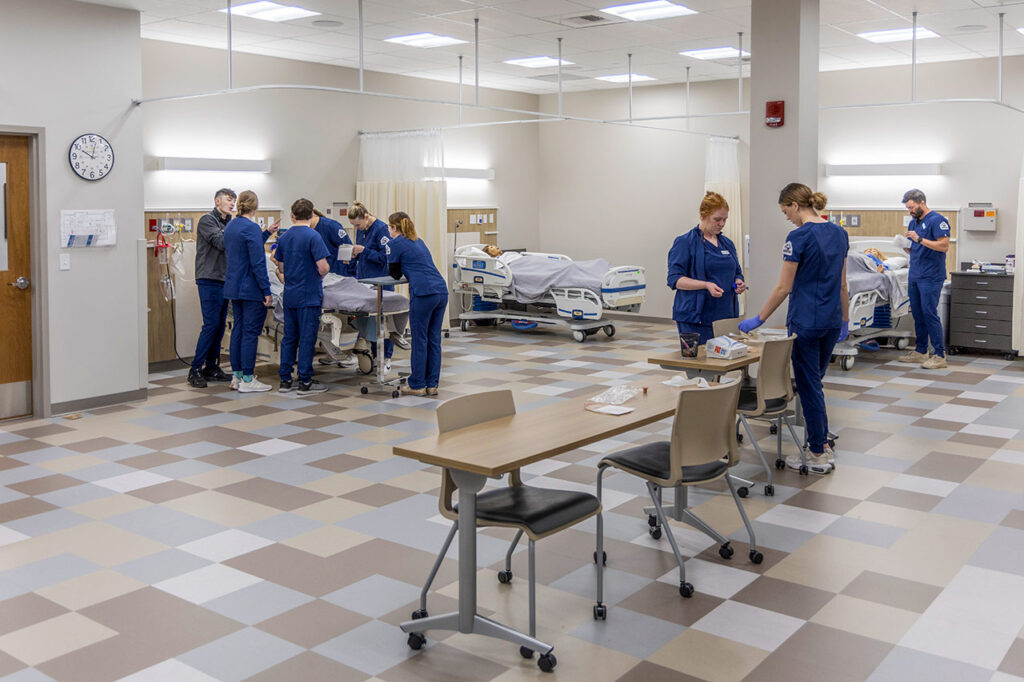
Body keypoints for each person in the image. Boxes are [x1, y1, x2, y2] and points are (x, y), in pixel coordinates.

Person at [738, 183, 849, 474]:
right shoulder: (839, 233)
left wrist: (758, 319)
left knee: (810, 387)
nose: (786, 216)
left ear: (795, 205)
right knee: (816, 385)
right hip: (831, 321)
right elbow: (843, 284)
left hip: (806, 324)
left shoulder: (797, 237)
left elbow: (784, 287)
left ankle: (816, 453)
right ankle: (821, 443)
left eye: (785, 210)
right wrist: (845, 320)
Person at [667, 191, 746, 344]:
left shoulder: (727, 244)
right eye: (717, 219)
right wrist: (705, 285)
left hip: (725, 315)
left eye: (725, 219)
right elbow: (674, 279)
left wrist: (739, 281)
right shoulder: (685, 242)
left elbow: (737, 272)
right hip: (696, 318)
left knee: (724, 362)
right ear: (703, 215)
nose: (722, 224)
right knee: (700, 364)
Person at [386, 211, 448, 396]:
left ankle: (417, 384)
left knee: (420, 339)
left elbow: (394, 274)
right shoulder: (417, 240)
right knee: (434, 339)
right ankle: (432, 384)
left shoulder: (395, 243)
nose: (388, 230)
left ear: (394, 228)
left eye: (389, 227)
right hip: (440, 291)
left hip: (423, 293)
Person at [223, 190, 278, 392]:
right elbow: (257, 262)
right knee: (250, 333)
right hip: (250, 288)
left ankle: (237, 377)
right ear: (255, 207)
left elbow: (242, 248)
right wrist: (266, 290)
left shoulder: (231, 226)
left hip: (233, 286)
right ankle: (248, 379)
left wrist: (266, 233)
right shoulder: (251, 227)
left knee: (237, 329)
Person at [274, 198, 330, 395]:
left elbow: (280, 268)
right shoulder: (313, 237)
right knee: (307, 338)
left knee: (289, 337)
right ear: (312, 215)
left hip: (290, 295)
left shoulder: (284, 238)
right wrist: (321, 272)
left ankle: (285, 380)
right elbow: (323, 267)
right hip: (309, 295)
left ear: (292, 216)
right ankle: (305, 381)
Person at [349, 202, 409, 370]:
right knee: (369, 323)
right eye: (354, 226)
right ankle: (375, 357)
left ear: (366, 216)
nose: (357, 228)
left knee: (384, 323)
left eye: (358, 224)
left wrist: (364, 251)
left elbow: (385, 258)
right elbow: (362, 254)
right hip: (365, 282)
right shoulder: (361, 230)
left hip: (381, 282)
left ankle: (386, 359)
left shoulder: (382, 229)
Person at [187, 188, 236, 388]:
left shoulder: (230, 223)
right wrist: (235, 230)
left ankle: (212, 367)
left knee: (219, 325)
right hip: (209, 278)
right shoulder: (207, 220)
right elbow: (221, 242)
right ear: (217, 201)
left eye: (234, 200)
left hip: (224, 279)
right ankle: (195, 369)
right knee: (210, 324)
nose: (232, 203)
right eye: (228, 200)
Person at [900, 189, 950, 369]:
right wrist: (907, 247)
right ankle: (921, 351)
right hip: (915, 274)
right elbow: (917, 248)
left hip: (931, 276)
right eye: (907, 208)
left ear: (922, 203)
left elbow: (943, 246)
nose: (910, 211)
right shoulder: (914, 223)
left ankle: (939, 354)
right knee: (918, 314)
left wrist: (919, 239)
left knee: (929, 313)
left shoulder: (938, 220)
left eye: (912, 207)